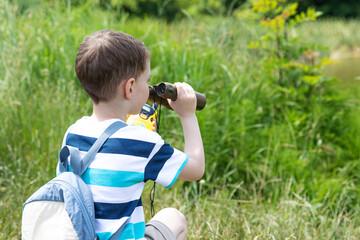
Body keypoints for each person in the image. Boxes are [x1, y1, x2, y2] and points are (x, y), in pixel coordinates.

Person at [59, 30, 205, 240]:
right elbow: (196, 169)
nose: (149, 87)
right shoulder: (141, 142)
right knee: (173, 218)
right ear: (130, 87)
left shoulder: (72, 133)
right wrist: (188, 115)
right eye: (147, 81)